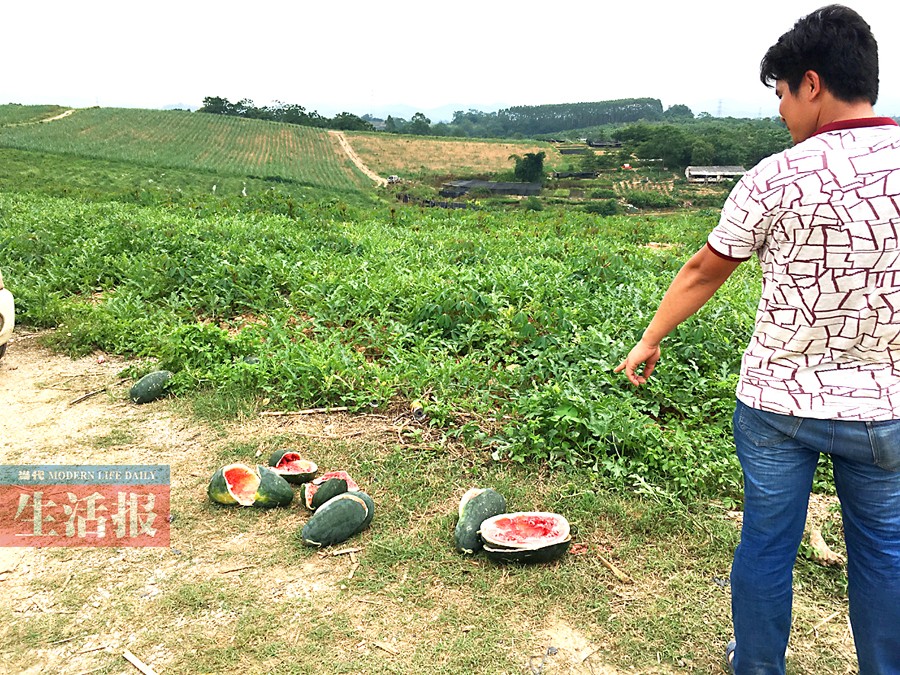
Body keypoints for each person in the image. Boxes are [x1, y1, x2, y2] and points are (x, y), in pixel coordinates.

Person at [614, 5, 900, 674]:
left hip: (779, 405)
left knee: (767, 545)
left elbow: (703, 270)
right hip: (886, 405)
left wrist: (650, 338)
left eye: (780, 95)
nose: (780, 113)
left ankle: (759, 665)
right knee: (885, 552)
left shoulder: (775, 177)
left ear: (811, 83)